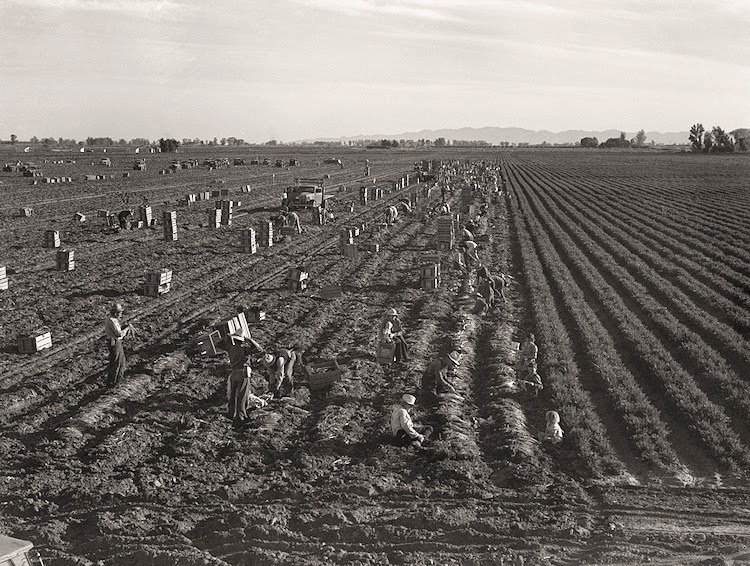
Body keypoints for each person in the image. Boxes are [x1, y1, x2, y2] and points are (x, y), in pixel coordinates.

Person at [219, 330, 263, 428]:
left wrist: (226, 338)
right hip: (243, 373)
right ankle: (240, 416)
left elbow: (218, 344)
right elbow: (259, 349)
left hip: (234, 373)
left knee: (233, 395)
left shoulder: (230, 348)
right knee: (242, 395)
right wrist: (250, 339)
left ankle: (231, 413)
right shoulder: (245, 349)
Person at [104, 303, 133, 387]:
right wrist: (127, 328)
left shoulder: (111, 319)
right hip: (115, 342)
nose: (121, 315)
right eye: (120, 313)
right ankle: (115, 382)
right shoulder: (112, 321)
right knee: (118, 362)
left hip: (114, 341)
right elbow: (119, 334)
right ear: (116, 313)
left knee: (117, 361)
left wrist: (124, 326)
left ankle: (114, 381)